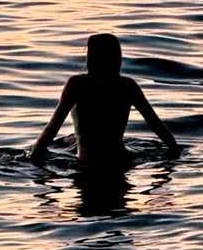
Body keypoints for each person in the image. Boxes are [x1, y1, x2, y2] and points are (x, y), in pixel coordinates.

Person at [30, 33, 178, 165]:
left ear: (91, 58)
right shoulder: (127, 85)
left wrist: (34, 155)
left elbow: (53, 126)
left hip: (88, 161)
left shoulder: (77, 84)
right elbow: (156, 124)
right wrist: (175, 150)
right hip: (121, 159)